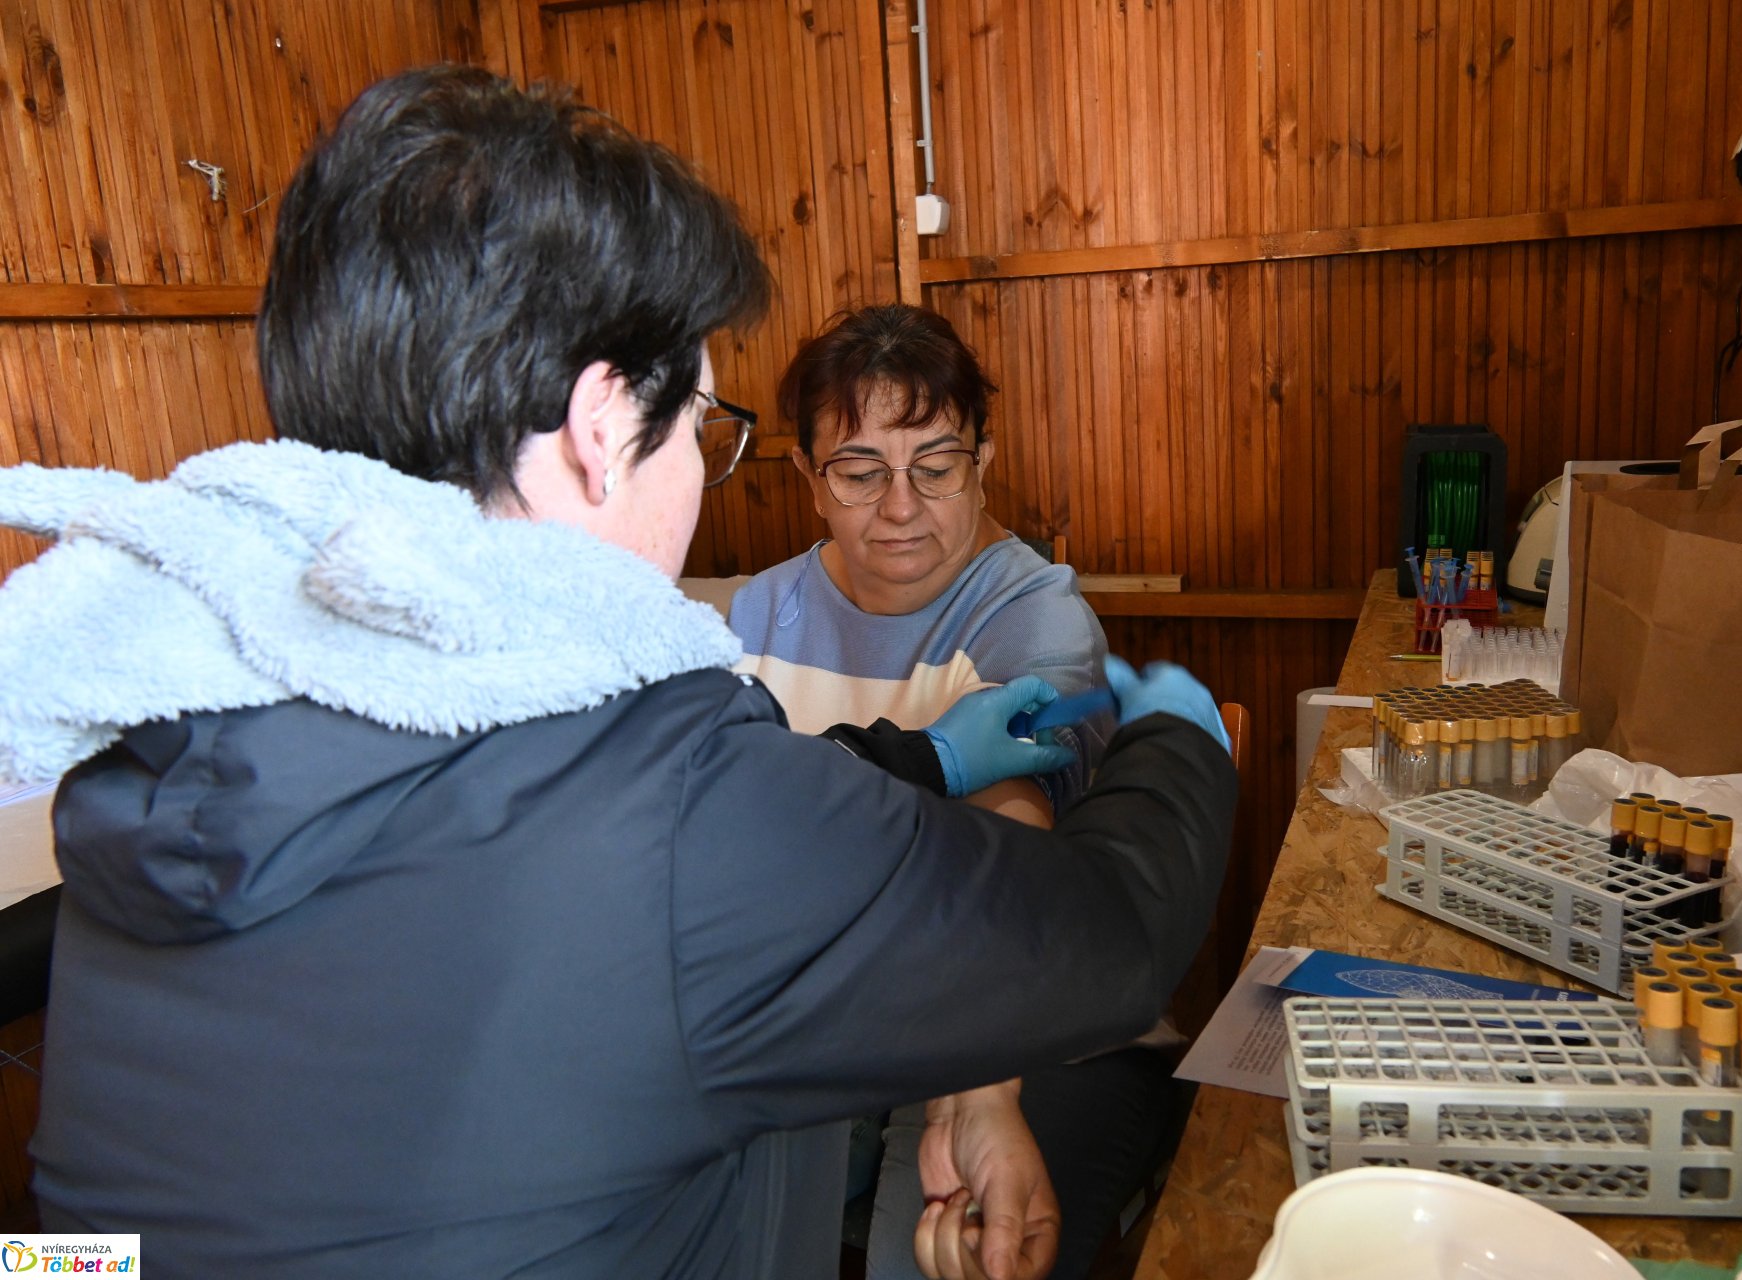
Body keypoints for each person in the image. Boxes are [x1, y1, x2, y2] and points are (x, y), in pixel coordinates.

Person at [0, 66, 1237, 1280]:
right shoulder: (675, 807)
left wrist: (929, 755)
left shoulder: (151, 757)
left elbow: (74, 1256)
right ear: (604, 429)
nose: (703, 469)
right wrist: (1181, 731)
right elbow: (1109, 937)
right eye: (702, 421)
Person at [729, 305, 1196, 1280]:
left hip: (1029, 1019)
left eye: (934, 466)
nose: (900, 506)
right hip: (834, 1014)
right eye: (860, 472)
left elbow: (1011, 840)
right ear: (811, 480)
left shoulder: (1032, 617)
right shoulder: (751, 614)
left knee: (942, 1249)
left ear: (983, 456)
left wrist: (980, 1090)